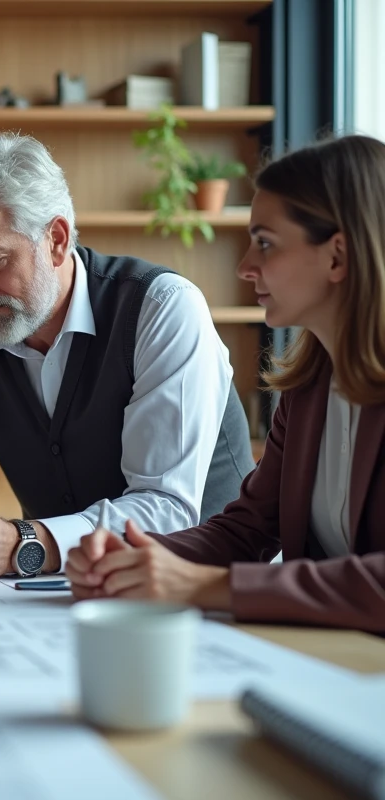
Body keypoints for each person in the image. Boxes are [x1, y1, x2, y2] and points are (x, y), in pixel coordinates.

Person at [66, 135, 385, 633]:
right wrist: (133, 557)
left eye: (265, 243)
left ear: (337, 257)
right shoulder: (308, 391)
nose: (245, 266)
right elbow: (246, 531)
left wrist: (204, 587)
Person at [0, 133, 255, 583]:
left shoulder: (162, 308)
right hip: (63, 595)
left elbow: (169, 509)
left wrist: (22, 543)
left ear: (56, 240)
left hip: (210, 591)